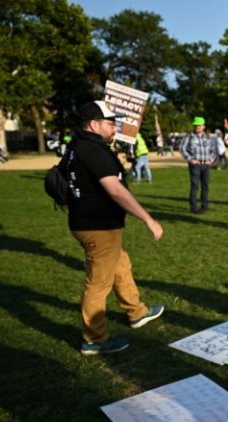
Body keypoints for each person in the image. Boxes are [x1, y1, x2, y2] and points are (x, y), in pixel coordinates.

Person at [68, 101, 164, 355]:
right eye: (110, 123)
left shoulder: (78, 145)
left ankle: (136, 312)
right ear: (94, 124)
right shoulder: (92, 148)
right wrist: (148, 218)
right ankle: (94, 339)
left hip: (93, 223)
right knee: (99, 283)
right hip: (97, 226)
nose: (115, 127)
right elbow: (115, 189)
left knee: (121, 264)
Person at [179, 116, 217, 214]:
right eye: (195, 125)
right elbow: (182, 148)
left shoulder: (208, 137)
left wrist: (211, 160)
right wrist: (190, 159)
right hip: (195, 165)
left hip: (206, 165)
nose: (197, 127)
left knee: (205, 186)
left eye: (199, 125)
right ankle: (193, 207)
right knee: (195, 186)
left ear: (203, 126)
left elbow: (213, 150)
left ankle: (204, 206)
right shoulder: (189, 136)